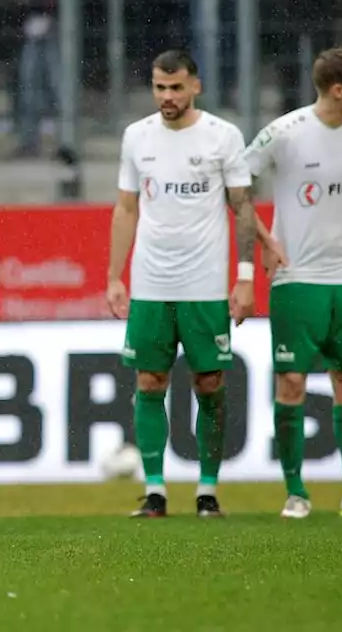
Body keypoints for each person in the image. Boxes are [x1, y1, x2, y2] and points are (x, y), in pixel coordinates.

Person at [107, 49, 265, 519]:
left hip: (205, 285)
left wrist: (245, 277)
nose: (167, 96)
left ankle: (207, 489)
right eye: (159, 87)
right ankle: (155, 491)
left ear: (195, 85)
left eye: (176, 87)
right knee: (150, 380)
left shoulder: (223, 136)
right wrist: (115, 276)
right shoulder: (137, 137)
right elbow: (126, 208)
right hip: (152, 282)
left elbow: (243, 208)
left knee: (210, 381)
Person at [243, 48, 342, 519]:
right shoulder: (285, 134)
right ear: (337, 90)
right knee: (291, 383)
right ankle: (295, 493)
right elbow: (236, 186)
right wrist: (265, 241)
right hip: (296, 278)